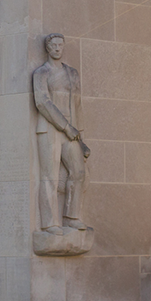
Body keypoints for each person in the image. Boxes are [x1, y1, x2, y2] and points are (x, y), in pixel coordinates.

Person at [32, 33, 89, 233]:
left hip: (71, 131)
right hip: (50, 128)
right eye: (53, 45)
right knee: (50, 176)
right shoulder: (42, 73)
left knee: (79, 172)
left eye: (60, 45)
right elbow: (42, 103)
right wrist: (66, 126)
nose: (57, 48)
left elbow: (78, 105)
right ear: (47, 48)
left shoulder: (72, 73)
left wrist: (80, 137)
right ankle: (49, 223)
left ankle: (72, 217)